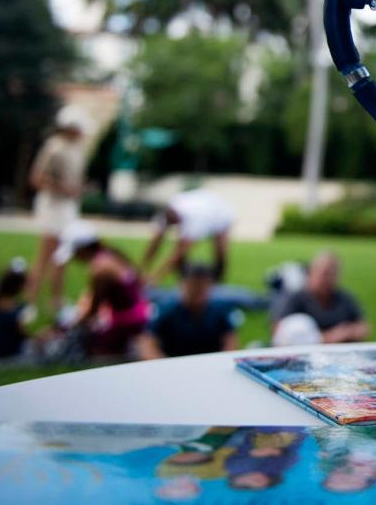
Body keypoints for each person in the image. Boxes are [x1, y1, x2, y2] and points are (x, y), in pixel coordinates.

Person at [54, 220, 151, 358]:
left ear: (82, 248)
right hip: (138, 315)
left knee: (91, 350)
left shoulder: (100, 270)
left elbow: (94, 308)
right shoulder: (109, 256)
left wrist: (70, 326)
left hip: (127, 323)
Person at [25, 106, 90, 314]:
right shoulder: (54, 147)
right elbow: (36, 179)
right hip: (53, 206)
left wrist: (78, 190)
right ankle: (31, 301)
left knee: (63, 255)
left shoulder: (77, 149)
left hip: (69, 207)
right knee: (45, 255)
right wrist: (64, 189)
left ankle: (56, 301)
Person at [137, 263, 241, 359]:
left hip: (209, 364)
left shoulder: (219, 308)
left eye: (203, 286)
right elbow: (147, 342)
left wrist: (220, 361)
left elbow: (230, 340)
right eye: (193, 286)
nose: (198, 290)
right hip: (174, 363)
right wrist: (163, 365)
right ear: (182, 284)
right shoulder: (167, 309)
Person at [271, 252, 369, 345]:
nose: (328, 279)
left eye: (333, 274)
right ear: (312, 272)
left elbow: (363, 328)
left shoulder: (345, 297)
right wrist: (327, 337)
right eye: (325, 273)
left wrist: (347, 332)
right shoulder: (297, 298)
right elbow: (278, 331)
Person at [142, 188, 234, 285]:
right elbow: (155, 243)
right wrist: (142, 270)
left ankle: (218, 282)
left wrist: (157, 276)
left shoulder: (194, 218)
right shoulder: (168, 210)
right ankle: (183, 280)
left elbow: (179, 252)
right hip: (203, 206)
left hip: (220, 215)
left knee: (220, 252)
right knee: (181, 254)